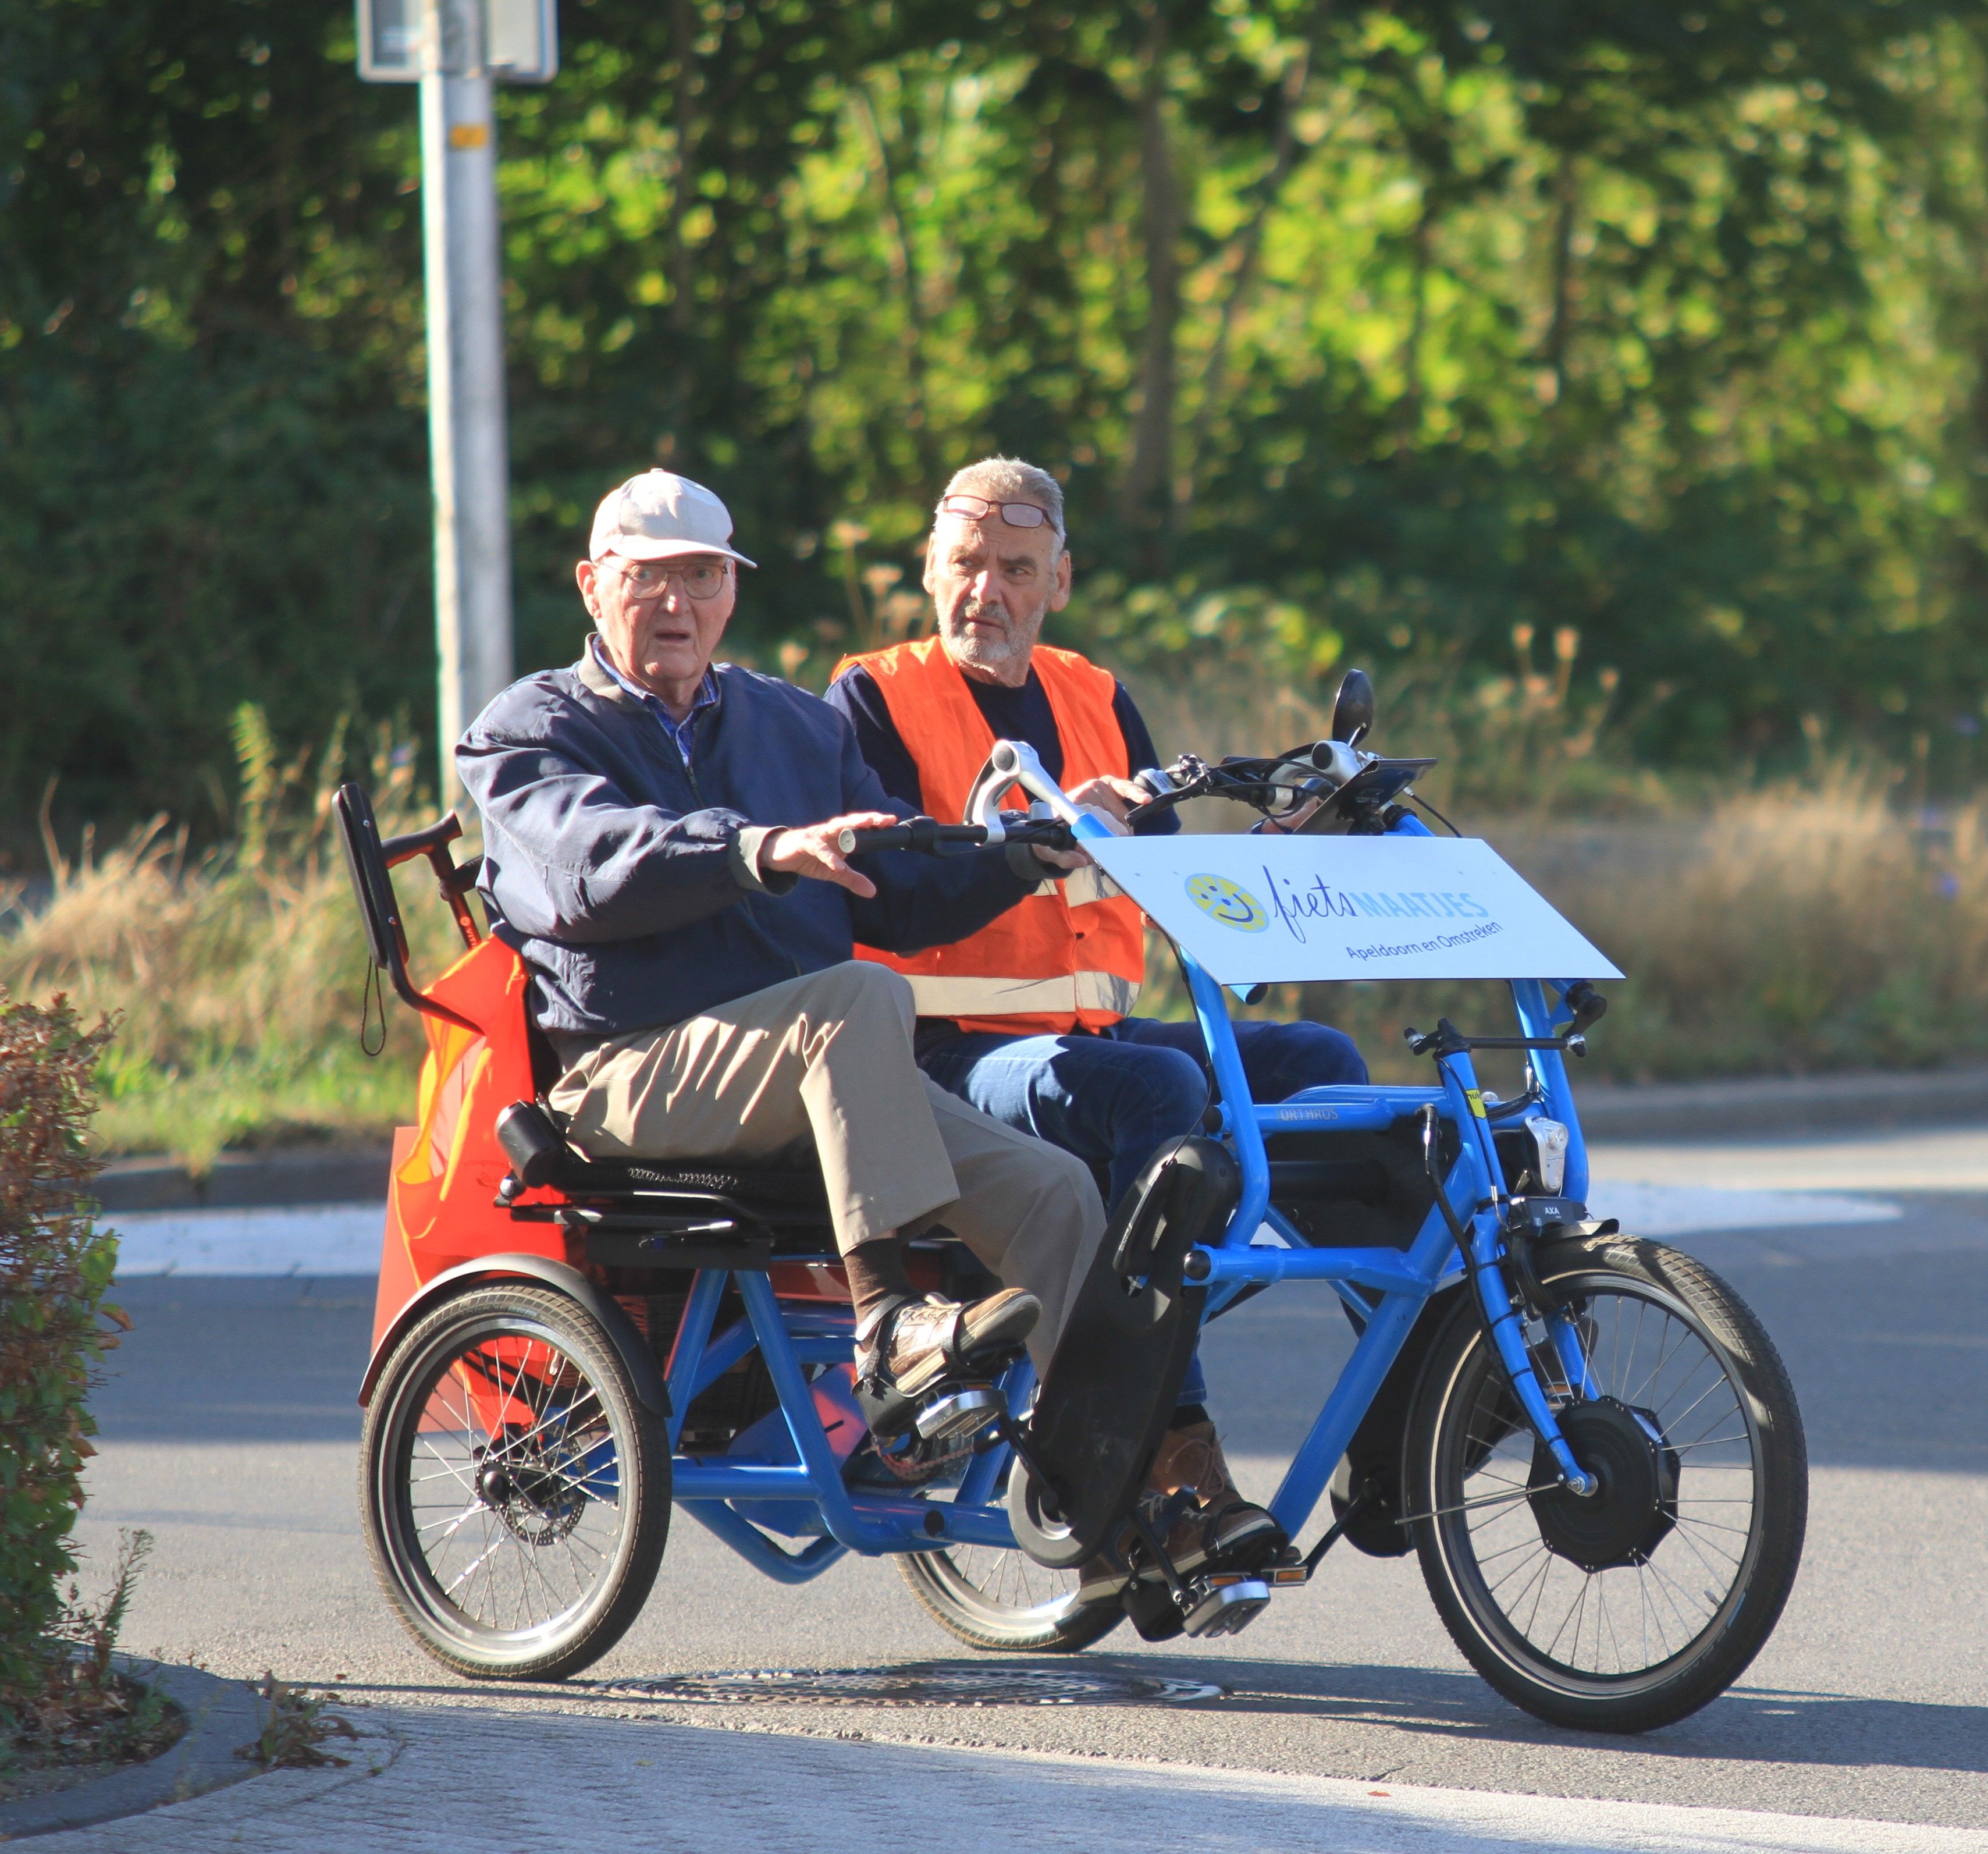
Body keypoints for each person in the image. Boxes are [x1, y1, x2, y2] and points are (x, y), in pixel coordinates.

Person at [456, 467, 1108, 1421]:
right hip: (627, 1071)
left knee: (1057, 1192)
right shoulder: (529, 729)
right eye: (647, 577)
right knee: (857, 998)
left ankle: (1122, 1487)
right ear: (593, 585)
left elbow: (901, 882)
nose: (676, 603)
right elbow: (586, 864)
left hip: (815, 1069)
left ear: (732, 592)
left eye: (703, 576)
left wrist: (1026, 851)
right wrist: (752, 849)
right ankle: (886, 1324)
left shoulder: (794, 724)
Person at [825, 455, 1370, 1591]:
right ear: (927, 570)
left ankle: (1405, 1409)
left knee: (1321, 1065)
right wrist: (1027, 850)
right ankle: (1162, 1445)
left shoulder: (1094, 695)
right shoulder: (872, 698)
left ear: (1059, 580)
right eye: (966, 564)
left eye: (1016, 569)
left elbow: (1162, 889)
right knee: (1155, 1098)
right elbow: (892, 896)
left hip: (1085, 1041)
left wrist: (1280, 848)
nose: (988, 590)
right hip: (939, 1056)